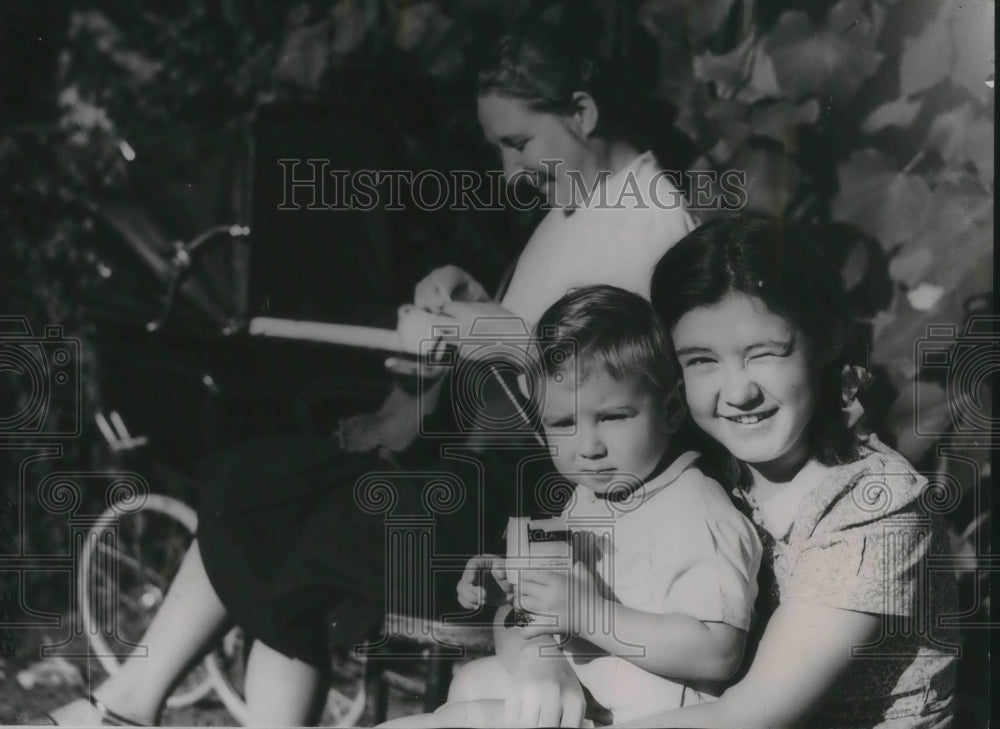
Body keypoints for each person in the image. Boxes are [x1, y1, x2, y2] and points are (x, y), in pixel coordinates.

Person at [44, 23, 695, 727]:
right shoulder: (582, 206)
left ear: (583, 111)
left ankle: (128, 710)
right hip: (484, 487)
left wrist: (496, 337)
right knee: (259, 478)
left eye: (519, 143)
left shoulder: (655, 224)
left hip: (546, 524)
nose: (511, 174)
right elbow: (526, 354)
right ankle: (129, 703)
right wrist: (470, 307)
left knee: (289, 520)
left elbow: (616, 411)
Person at [503, 213, 959, 728]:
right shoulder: (685, 458)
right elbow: (549, 591)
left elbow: (750, 716)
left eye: (763, 354)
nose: (738, 392)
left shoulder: (877, 508)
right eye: (701, 360)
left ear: (826, 343)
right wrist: (542, 660)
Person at [376, 285, 763, 728]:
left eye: (613, 417)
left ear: (672, 409)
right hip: (586, 704)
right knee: (473, 684)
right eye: (562, 423)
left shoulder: (696, 512)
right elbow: (523, 622)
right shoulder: (587, 501)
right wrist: (513, 590)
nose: (588, 447)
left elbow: (719, 653)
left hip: (647, 718)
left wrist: (585, 612)